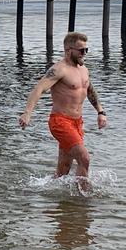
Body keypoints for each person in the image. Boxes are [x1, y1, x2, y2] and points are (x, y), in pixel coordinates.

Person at [18, 31, 107, 189]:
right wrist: (27, 113)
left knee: (64, 169)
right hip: (60, 121)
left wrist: (100, 111)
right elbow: (38, 89)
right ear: (68, 50)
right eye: (81, 50)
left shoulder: (83, 69)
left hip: (77, 123)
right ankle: (83, 202)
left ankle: (47, 193)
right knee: (84, 158)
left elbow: (89, 89)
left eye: (86, 50)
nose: (84, 54)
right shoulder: (59, 69)